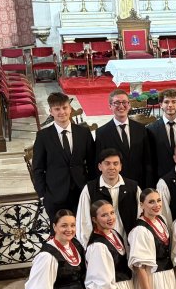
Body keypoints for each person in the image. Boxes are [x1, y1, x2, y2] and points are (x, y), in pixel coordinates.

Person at [32, 92, 96, 220]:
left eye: (64, 107)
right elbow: (38, 168)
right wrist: (43, 195)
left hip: (81, 191)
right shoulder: (43, 136)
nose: (62, 112)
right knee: (59, 233)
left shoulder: (83, 132)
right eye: (57, 109)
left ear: (70, 108)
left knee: (83, 231)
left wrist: (91, 188)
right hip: (55, 194)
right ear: (51, 111)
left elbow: (93, 162)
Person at [76, 148, 140, 246]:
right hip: (101, 245)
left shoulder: (133, 187)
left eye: (115, 163)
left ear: (120, 167)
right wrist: (87, 246)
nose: (111, 167)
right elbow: (84, 222)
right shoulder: (89, 189)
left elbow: (140, 216)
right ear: (100, 166)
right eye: (107, 163)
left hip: (129, 242)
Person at [95, 89, 154, 188]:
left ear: (129, 105)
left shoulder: (141, 129)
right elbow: (99, 164)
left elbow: (148, 160)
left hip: (139, 183)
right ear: (110, 106)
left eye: (124, 102)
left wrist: (149, 185)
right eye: (116, 103)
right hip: (114, 184)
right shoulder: (102, 133)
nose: (121, 106)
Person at [146, 89, 176, 181]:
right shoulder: (151, 130)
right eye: (166, 102)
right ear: (161, 105)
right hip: (160, 178)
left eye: (174, 102)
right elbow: (149, 159)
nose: (170, 105)